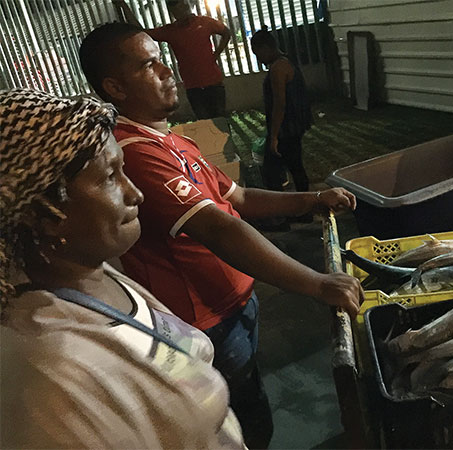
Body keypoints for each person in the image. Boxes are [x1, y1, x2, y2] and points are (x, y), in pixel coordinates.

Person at [79, 23, 363, 449]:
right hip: (206, 323)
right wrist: (317, 283)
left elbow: (240, 197)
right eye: (148, 64)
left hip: (236, 303)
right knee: (240, 423)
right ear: (114, 87)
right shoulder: (135, 154)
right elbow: (219, 227)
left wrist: (312, 198)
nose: (167, 69)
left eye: (161, 58)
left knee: (251, 399)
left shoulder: (173, 141)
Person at [0, 88, 245, 449]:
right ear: (43, 214)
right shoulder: (57, 379)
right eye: (109, 178)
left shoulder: (94, 275)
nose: (135, 194)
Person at [112, 0, 231, 119]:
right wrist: (124, 6)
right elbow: (142, 32)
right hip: (193, 87)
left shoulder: (205, 22)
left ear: (187, 5)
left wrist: (216, 54)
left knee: (220, 121)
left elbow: (226, 32)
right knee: (206, 124)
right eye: (173, 5)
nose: (179, 8)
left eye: (179, 4)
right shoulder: (171, 31)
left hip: (213, 83)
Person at [251, 26, 313, 212]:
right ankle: (303, 211)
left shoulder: (279, 68)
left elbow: (280, 104)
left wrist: (274, 136)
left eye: (258, 53)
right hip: (294, 126)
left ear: (266, 48)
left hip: (287, 128)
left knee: (272, 172)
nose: (259, 59)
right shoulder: (287, 61)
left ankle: (281, 214)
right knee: (295, 167)